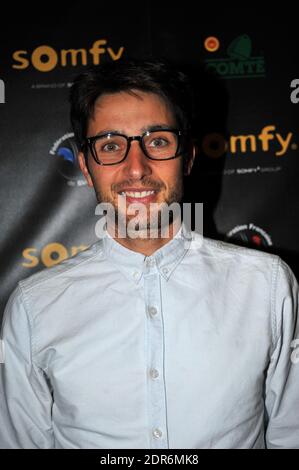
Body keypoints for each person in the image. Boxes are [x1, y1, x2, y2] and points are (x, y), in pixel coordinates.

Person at [0, 59, 298, 449]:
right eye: (110, 146)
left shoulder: (269, 286)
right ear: (87, 168)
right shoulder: (33, 308)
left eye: (157, 141)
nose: (135, 168)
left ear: (187, 156)